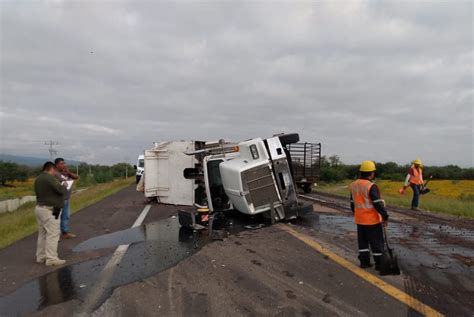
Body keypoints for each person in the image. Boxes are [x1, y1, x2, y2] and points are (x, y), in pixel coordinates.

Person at [350, 160, 389, 270]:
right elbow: (377, 203)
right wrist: (385, 216)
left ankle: (364, 262)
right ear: (372, 173)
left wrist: (358, 214)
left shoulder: (353, 185)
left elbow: (352, 204)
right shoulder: (371, 186)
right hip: (372, 221)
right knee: (377, 244)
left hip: (360, 220)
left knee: (363, 244)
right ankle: (379, 264)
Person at [34, 161, 67, 266]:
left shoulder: (38, 178)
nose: (55, 173)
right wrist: (64, 184)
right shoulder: (49, 178)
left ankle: (41, 256)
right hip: (50, 210)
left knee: (43, 234)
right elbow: (60, 190)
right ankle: (51, 259)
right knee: (53, 234)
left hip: (40, 208)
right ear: (52, 169)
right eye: (55, 171)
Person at [54, 158, 80, 239]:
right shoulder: (55, 174)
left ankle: (65, 233)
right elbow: (62, 181)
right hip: (58, 199)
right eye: (61, 164)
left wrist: (68, 173)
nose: (63, 165)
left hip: (66, 198)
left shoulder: (65, 173)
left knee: (65, 216)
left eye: (64, 163)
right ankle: (55, 236)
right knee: (56, 218)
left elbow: (76, 177)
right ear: (56, 165)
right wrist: (65, 175)